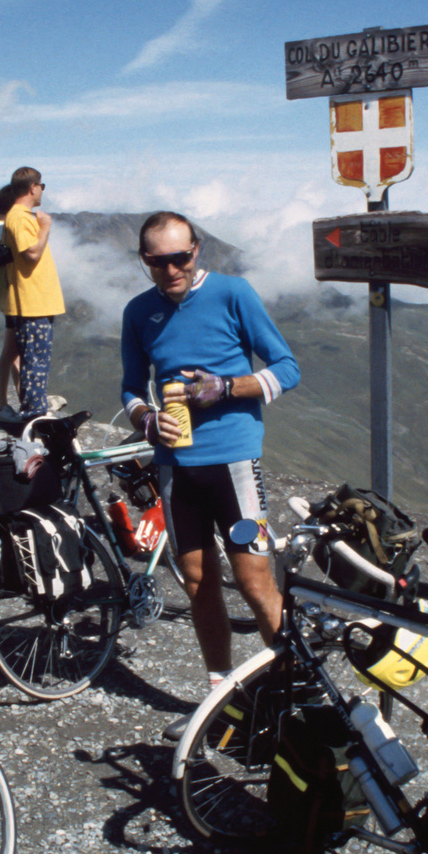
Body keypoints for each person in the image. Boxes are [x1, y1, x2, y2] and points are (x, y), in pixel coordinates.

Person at [118, 211, 300, 741]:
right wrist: (146, 420)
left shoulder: (233, 293)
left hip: (234, 463)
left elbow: (287, 368)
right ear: (144, 261)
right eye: (158, 261)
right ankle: (222, 697)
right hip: (177, 468)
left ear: (198, 250)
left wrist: (226, 388)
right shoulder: (138, 312)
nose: (171, 269)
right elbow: (131, 387)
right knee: (198, 584)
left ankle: (294, 693)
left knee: (254, 581)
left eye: (181, 257)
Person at [0, 166, 66, 422]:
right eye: (41, 186)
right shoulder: (19, 217)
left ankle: (33, 412)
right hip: (33, 302)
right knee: (35, 362)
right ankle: (34, 417)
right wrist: (45, 226)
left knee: (35, 360)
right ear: (32, 187)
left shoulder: (20, 217)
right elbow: (32, 253)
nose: (42, 191)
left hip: (36, 301)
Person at [0, 182, 23, 423]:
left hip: (5, 298)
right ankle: (1, 406)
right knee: (10, 352)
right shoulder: (3, 233)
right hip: (13, 299)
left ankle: (21, 400)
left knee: (15, 353)